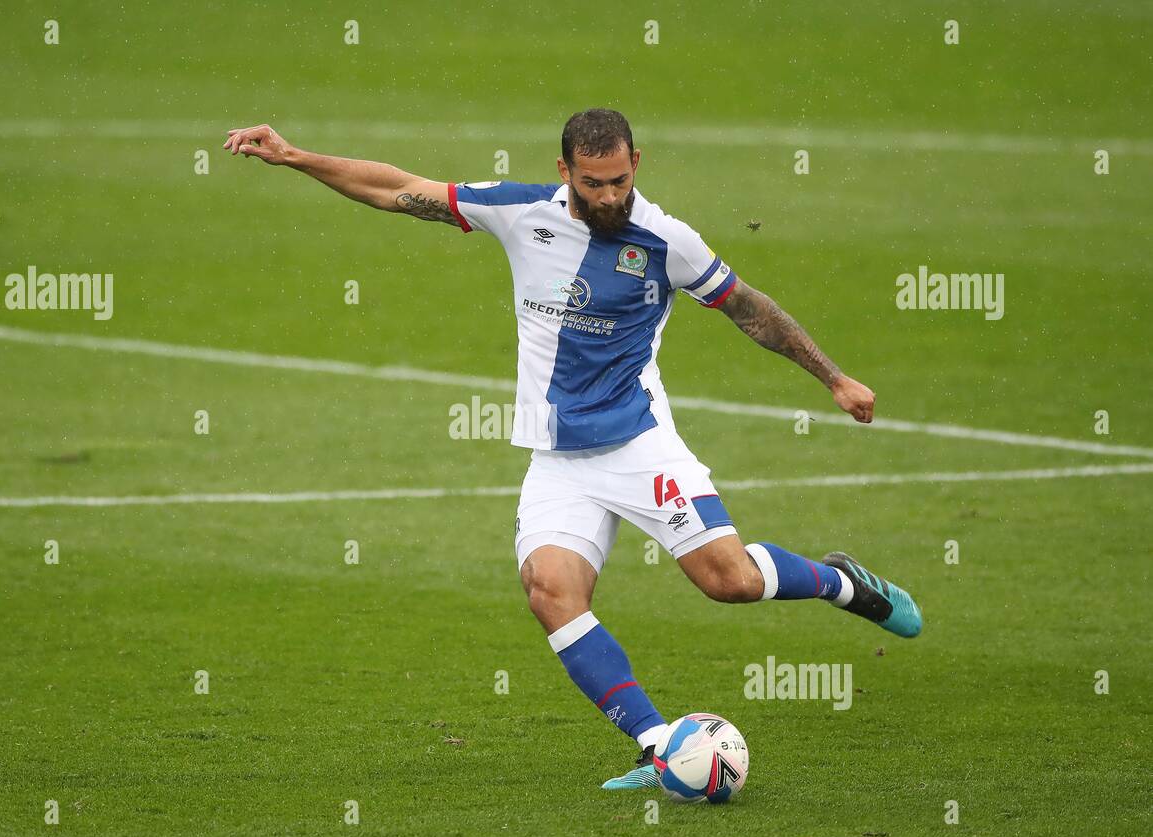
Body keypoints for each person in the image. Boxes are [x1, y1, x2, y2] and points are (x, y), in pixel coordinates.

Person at [224, 107, 921, 790]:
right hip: (558, 460)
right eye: (594, 183)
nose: (610, 195)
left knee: (729, 582)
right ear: (565, 171)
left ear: (635, 164)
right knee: (551, 591)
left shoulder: (666, 239)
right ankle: (660, 746)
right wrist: (297, 158)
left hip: (640, 448)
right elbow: (399, 189)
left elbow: (750, 309)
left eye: (620, 179)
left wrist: (833, 377)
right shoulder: (521, 212)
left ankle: (842, 582)